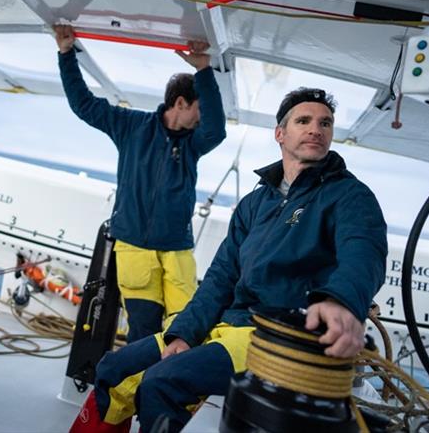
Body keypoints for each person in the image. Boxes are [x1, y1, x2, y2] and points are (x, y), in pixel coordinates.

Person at [70, 87, 388, 433]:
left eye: (325, 123)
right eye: (304, 120)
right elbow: (221, 276)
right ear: (280, 134)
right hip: (226, 323)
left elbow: (363, 252)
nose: (316, 129)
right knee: (115, 368)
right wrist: (183, 333)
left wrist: (341, 301)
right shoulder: (255, 203)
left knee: (162, 382)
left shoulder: (349, 195)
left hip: (273, 334)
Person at [53, 24, 227, 343]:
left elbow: (217, 130)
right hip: (134, 246)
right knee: (144, 333)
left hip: (177, 249)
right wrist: (66, 54)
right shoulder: (131, 126)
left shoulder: (194, 142)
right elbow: (84, 105)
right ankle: (139, 391)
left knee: (185, 331)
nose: (201, 118)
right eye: (198, 109)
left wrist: (204, 70)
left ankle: (169, 389)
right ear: (180, 104)